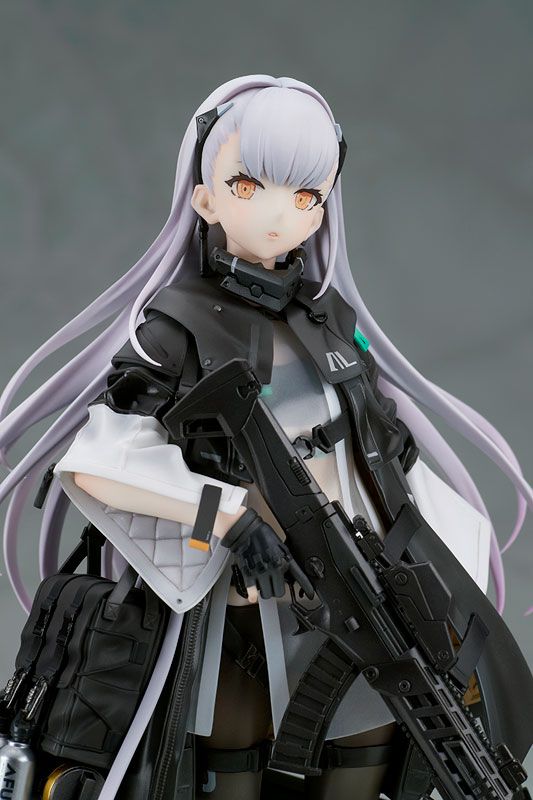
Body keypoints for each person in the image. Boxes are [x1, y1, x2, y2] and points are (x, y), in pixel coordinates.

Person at [0, 74, 531, 800]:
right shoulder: (175, 327)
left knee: (364, 748)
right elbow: (98, 464)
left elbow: (379, 451)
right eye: (249, 186)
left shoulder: (328, 321)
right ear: (203, 198)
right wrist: (223, 520)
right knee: (232, 756)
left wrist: (435, 558)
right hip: (240, 595)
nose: (280, 214)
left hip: (357, 580)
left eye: (306, 195)